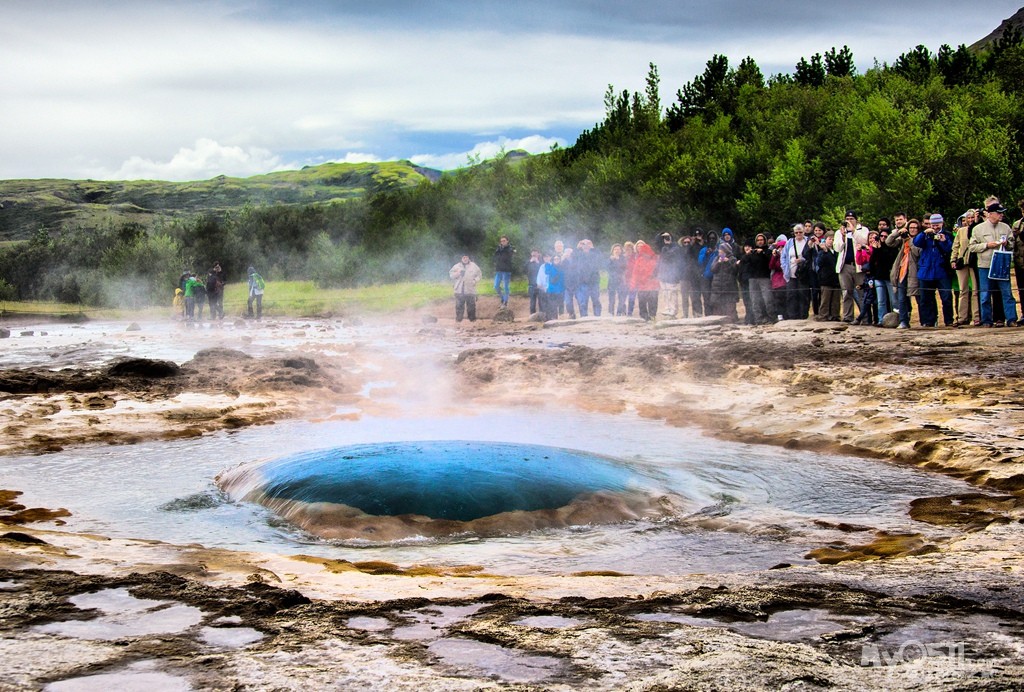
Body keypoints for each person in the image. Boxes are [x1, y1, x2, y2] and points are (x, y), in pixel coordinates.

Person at [969, 201, 1020, 327]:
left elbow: (1011, 243)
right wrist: (987, 245)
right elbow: (972, 247)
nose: (1001, 215)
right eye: (999, 213)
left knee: (1007, 293)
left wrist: (1006, 244)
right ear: (990, 214)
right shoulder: (978, 228)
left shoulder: (1005, 227)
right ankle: (986, 320)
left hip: (1001, 264)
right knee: (985, 294)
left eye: (1002, 213)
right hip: (985, 265)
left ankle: (1011, 319)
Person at [914, 213, 954, 328]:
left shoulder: (947, 234)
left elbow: (950, 249)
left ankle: (949, 321)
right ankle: (929, 321)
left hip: (942, 271)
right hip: (926, 271)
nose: (935, 227)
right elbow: (916, 243)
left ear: (942, 223)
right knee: (926, 298)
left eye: (937, 224)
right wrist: (924, 233)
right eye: (933, 225)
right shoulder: (925, 235)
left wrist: (944, 241)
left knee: (946, 297)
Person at [833, 210, 870, 323]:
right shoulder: (839, 232)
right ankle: (848, 316)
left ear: (856, 220)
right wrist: (843, 236)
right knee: (846, 292)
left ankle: (864, 317)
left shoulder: (863, 230)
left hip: (858, 266)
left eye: (851, 219)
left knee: (861, 292)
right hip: (845, 266)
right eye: (847, 219)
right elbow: (837, 248)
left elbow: (864, 241)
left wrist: (853, 231)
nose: (849, 221)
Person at [886, 212, 920, 329]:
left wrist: (909, 240)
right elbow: (888, 242)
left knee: (919, 297)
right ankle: (903, 321)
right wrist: (897, 232)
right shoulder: (902, 237)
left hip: (914, 272)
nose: (912, 229)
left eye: (914, 228)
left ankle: (925, 321)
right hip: (902, 271)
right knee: (901, 298)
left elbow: (916, 252)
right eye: (910, 228)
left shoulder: (919, 238)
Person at [952, 209, 980, 326]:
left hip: (975, 263)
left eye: (972, 218)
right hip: (962, 262)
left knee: (975, 290)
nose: (970, 220)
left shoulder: (978, 229)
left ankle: (976, 317)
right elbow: (956, 246)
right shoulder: (961, 231)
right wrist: (953, 259)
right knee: (963, 290)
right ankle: (962, 317)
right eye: (968, 218)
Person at [782, 223, 813, 319]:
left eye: (800, 232)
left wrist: (802, 260)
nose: (798, 234)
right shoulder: (789, 242)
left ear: (804, 232)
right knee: (791, 295)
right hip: (791, 272)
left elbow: (811, 256)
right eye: (796, 232)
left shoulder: (808, 241)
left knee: (803, 294)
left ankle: (803, 315)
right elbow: (783, 256)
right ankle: (792, 315)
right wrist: (784, 268)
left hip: (803, 273)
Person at [746, 233, 773, 324]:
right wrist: (747, 254)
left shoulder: (768, 251)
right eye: (758, 240)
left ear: (764, 240)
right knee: (755, 300)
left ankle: (771, 318)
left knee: (767, 299)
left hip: (764, 277)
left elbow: (770, 262)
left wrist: (763, 253)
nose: (760, 241)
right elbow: (744, 263)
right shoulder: (752, 252)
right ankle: (758, 319)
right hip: (753, 278)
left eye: (761, 240)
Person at [656, 232, 683, 319]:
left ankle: (673, 310)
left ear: (672, 238)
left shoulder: (676, 247)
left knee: (672, 293)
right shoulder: (663, 248)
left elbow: (668, 256)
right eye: (664, 238)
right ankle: (667, 308)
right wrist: (661, 234)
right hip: (663, 274)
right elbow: (656, 242)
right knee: (665, 293)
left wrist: (667, 246)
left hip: (672, 274)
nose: (666, 239)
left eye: (668, 237)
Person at [631, 240, 660, 321]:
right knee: (642, 302)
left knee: (653, 301)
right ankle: (645, 316)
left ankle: (652, 316)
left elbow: (657, 271)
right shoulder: (639, 260)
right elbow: (635, 273)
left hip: (652, 285)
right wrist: (633, 284)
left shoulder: (655, 259)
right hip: (642, 285)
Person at [449, 254, 482, 322]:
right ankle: (458, 320)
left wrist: (474, 281)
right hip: (459, 290)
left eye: (466, 257)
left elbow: (479, 275)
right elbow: (451, 275)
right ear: (461, 258)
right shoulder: (456, 266)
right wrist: (458, 273)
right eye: (463, 257)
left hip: (470, 289)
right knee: (459, 306)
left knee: (471, 307)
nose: (465, 258)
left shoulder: (474, 266)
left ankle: (472, 320)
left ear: (468, 258)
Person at [711, 243, 739, 321]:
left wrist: (728, 262)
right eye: (719, 251)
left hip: (729, 286)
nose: (720, 253)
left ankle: (732, 321)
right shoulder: (716, 258)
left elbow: (735, 271)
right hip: (717, 286)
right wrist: (718, 262)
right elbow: (712, 269)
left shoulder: (732, 259)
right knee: (718, 307)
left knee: (730, 307)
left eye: (721, 251)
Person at [576, 239, 602, 316]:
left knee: (596, 300)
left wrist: (593, 247)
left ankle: (597, 316)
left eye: (588, 245)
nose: (586, 246)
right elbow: (573, 257)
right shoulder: (578, 255)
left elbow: (600, 258)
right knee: (583, 302)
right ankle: (584, 317)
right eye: (584, 245)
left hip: (594, 282)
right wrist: (577, 247)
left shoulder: (594, 254)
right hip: (583, 282)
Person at [493, 235, 515, 308]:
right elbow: (495, 257)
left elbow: (509, 255)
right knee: (496, 286)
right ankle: (502, 299)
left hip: (506, 270)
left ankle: (505, 302)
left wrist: (503, 249)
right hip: (499, 270)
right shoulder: (499, 248)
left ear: (507, 241)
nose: (502, 242)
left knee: (506, 287)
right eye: (501, 241)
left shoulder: (510, 249)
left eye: (504, 241)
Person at [607, 244, 628, 316]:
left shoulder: (623, 259)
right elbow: (608, 269)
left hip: (621, 281)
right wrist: (613, 260)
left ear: (621, 251)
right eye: (615, 249)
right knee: (611, 298)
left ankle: (620, 311)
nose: (617, 251)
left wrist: (617, 260)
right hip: (612, 281)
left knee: (621, 297)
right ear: (612, 251)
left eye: (618, 249)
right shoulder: (609, 259)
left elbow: (624, 268)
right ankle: (611, 312)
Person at [525, 249, 543, 315]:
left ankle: (542, 314)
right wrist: (530, 262)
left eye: (535, 254)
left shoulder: (541, 262)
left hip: (540, 285)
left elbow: (543, 271)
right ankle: (532, 315)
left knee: (541, 302)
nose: (534, 256)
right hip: (531, 285)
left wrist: (538, 263)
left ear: (538, 254)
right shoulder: (528, 263)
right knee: (532, 302)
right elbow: (523, 270)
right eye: (533, 255)